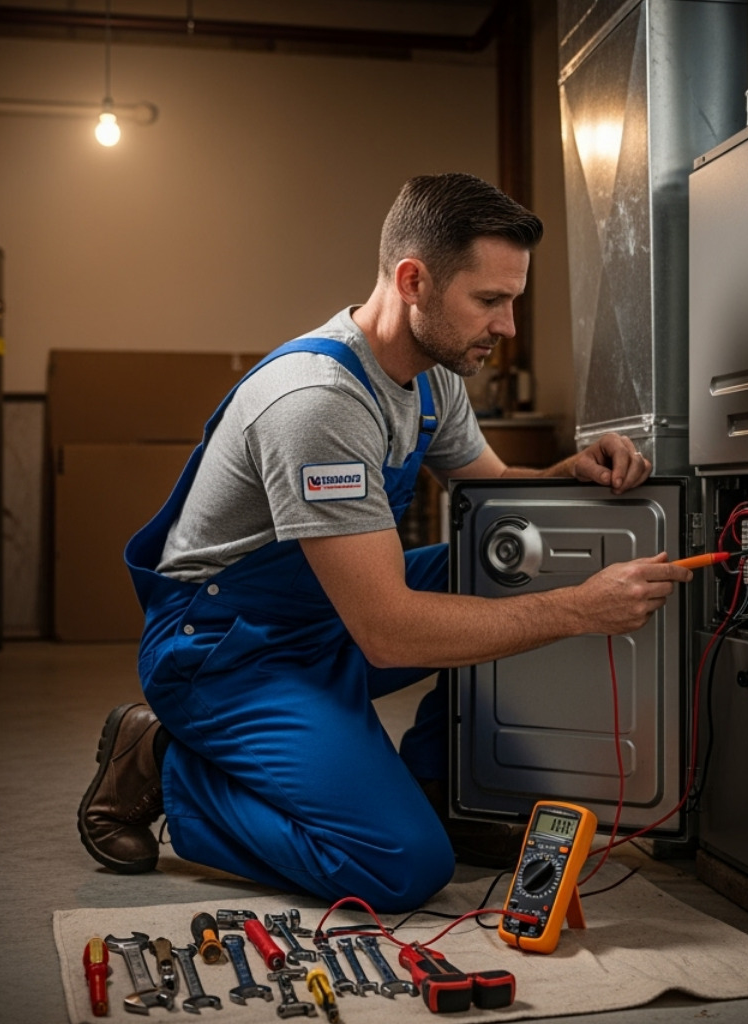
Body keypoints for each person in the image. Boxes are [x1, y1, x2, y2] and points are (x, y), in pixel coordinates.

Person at [77, 173, 691, 913]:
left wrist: (567, 472)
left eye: (513, 301)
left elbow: (493, 491)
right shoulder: (319, 403)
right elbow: (388, 632)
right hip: (227, 651)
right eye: (489, 301)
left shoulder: (433, 379)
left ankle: (440, 785)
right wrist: (578, 610)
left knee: (504, 559)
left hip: (325, 617)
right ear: (412, 282)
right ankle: (164, 763)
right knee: (399, 865)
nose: (507, 327)